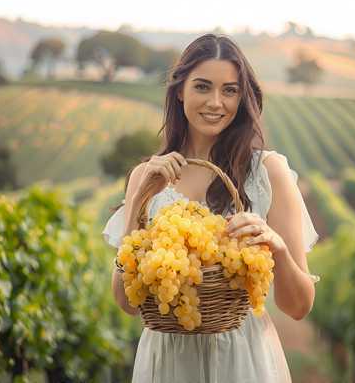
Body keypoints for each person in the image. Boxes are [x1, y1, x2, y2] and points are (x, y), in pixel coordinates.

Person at [102, 33, 320, 383]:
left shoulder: (267, 173)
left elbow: (299, 307)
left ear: (242, 97)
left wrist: (276, 247)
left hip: (242, 359)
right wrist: (139, 200)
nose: (216, 102)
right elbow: (127, 304)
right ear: (179, 91)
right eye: (202, 87)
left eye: (230, 90)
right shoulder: (147, 176)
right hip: (167, 361)